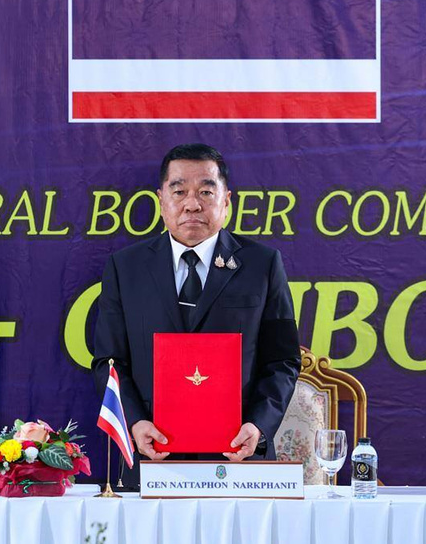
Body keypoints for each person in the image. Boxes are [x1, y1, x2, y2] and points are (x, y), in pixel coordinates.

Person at [92, 143, 299, 481]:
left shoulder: (262, 265)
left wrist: (258, 426)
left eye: (206, 191)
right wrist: (135, 422)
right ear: (161, 200)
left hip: (239, 457)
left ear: (226, 200)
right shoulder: (125, 268)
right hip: (151, 456)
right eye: (179, 191)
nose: (192, 204)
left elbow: (283, 360)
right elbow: (109, 362)